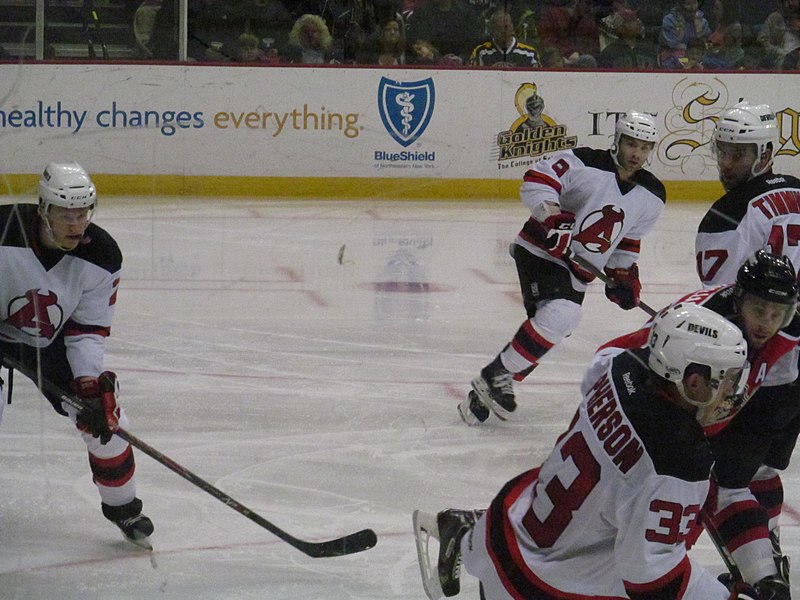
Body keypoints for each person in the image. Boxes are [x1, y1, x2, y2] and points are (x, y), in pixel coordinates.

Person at [414, 303, 761, 599]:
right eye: (727, 378)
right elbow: (651, 578)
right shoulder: (679, 460)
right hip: (534, 586)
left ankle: (463, 531)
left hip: (506, 525)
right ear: (694, 381)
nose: (733, 391)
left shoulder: (621, 366)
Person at [460, 110, 665, 426]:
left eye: (644, 147)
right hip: (541, 251)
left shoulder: (652, 195)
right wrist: (553, 217)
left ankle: (486, 392)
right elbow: (537, 180)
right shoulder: (584, 161)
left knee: (551, 325)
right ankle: (496, 375)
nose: (636, 153)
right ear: (618, 140)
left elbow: (627, 241)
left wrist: (623, 275)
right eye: (631, 144)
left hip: (579, 270)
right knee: (563, 314)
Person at [0, 163, 153, 547]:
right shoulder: (3, 229)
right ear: (43, 210)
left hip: (52, 344)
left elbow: (88, 330)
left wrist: (87, 382)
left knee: (106, 423)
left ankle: (124, 510)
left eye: (82, 213)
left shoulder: (101, 254)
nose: (75, 224)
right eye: (65, 214)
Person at [468, 9, 540, 67]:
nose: (503, 31)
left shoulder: (530, 53)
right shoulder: (481, 52)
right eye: (498, 28)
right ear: (491, 30)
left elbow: (539, 80)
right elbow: (472, 78)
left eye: (506, 27)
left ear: (512, 28)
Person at [659, 0, 712, 68]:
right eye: (688, 4)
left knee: (713, 62)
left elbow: (706, 42)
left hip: (698, 56)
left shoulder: (702, 21)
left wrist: (699, 30)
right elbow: (671, 44)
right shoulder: (670, 20)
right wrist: (689, 52)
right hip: (675, 56)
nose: (692, 7)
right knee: (681, 62)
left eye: (694, 3)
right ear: (680, 5)